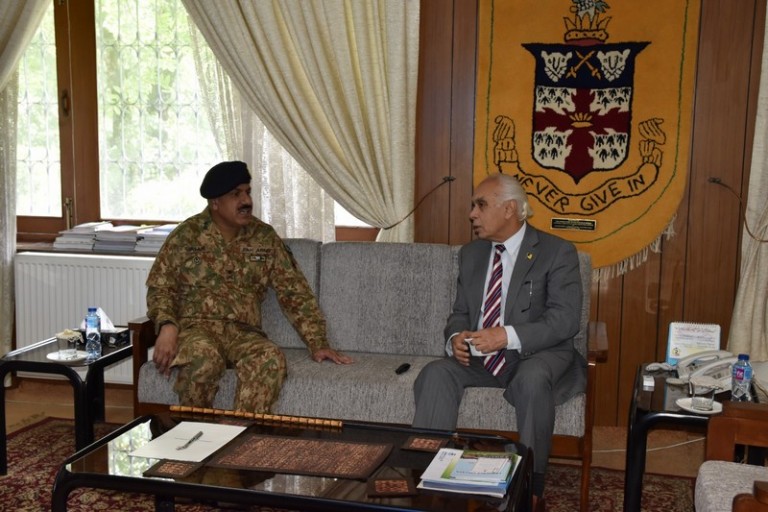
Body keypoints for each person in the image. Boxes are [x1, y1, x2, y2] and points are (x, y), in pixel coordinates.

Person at [412, 173, 585, 509]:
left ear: (509, 209)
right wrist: (456, 337)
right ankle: (428, 478)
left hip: (537, 354)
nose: (472, 214)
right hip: (481, 358)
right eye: (473, 206)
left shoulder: (556, 252)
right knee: (435, 373)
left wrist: (506, 335)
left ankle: (529, 488)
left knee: (532, 379)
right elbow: (460, 313)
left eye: (481, 205)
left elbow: (565, 320)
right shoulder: (471, 254)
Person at [146, 160, 352, 413]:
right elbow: (161, 288)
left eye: (247, 192)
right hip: (196, 331)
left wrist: (318, 342)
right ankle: (196, 432)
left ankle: (240, 431)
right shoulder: (186, 236)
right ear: (215, 202)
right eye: (236, 194)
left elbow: (294, 293)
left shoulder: (263, 238)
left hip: (243, 333)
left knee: (269, 359)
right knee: (203, 358)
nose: (246, 201)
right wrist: (167, 325)